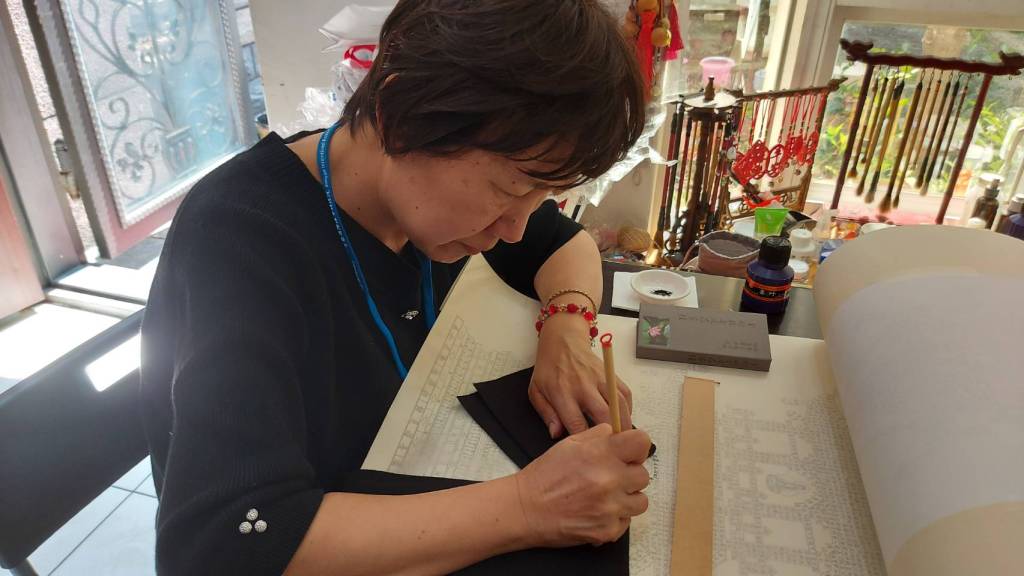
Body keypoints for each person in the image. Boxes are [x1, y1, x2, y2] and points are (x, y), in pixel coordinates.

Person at [140, 1, 652, 574]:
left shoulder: (428, 199)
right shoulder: (240, 240)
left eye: (542, 197)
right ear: (401, 115)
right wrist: (531, 506)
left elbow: (563, 244)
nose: (515, 228)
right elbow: (228, 539)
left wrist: (566, 331)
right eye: (509, 190)